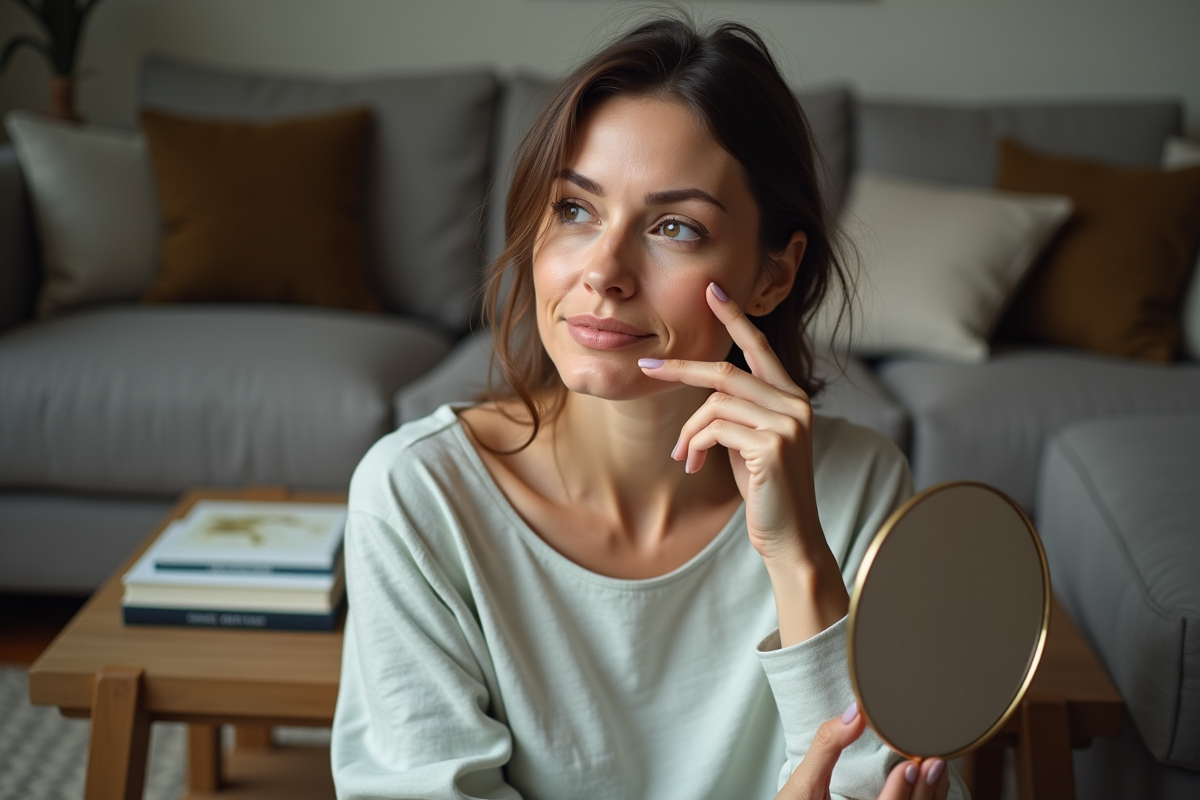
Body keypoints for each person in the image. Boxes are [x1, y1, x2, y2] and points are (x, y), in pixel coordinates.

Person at [331, 16, 965, 800]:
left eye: (675, 228)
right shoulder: (418, 496)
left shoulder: (859, 488)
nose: (603, 270)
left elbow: (887, 789)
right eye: (574, 209)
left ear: (773, 276)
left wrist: (800, 561)